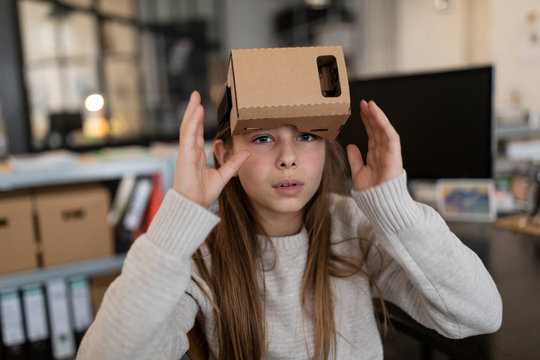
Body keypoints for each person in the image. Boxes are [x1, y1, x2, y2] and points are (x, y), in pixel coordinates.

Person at [77, 90, 502, 360]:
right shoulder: (196, 259)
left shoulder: (351, 226)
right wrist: (179, 217)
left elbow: (478, 315)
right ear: (223, 154)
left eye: (307, 136)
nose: (288, 157)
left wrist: (397, 209)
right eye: (263, 138)